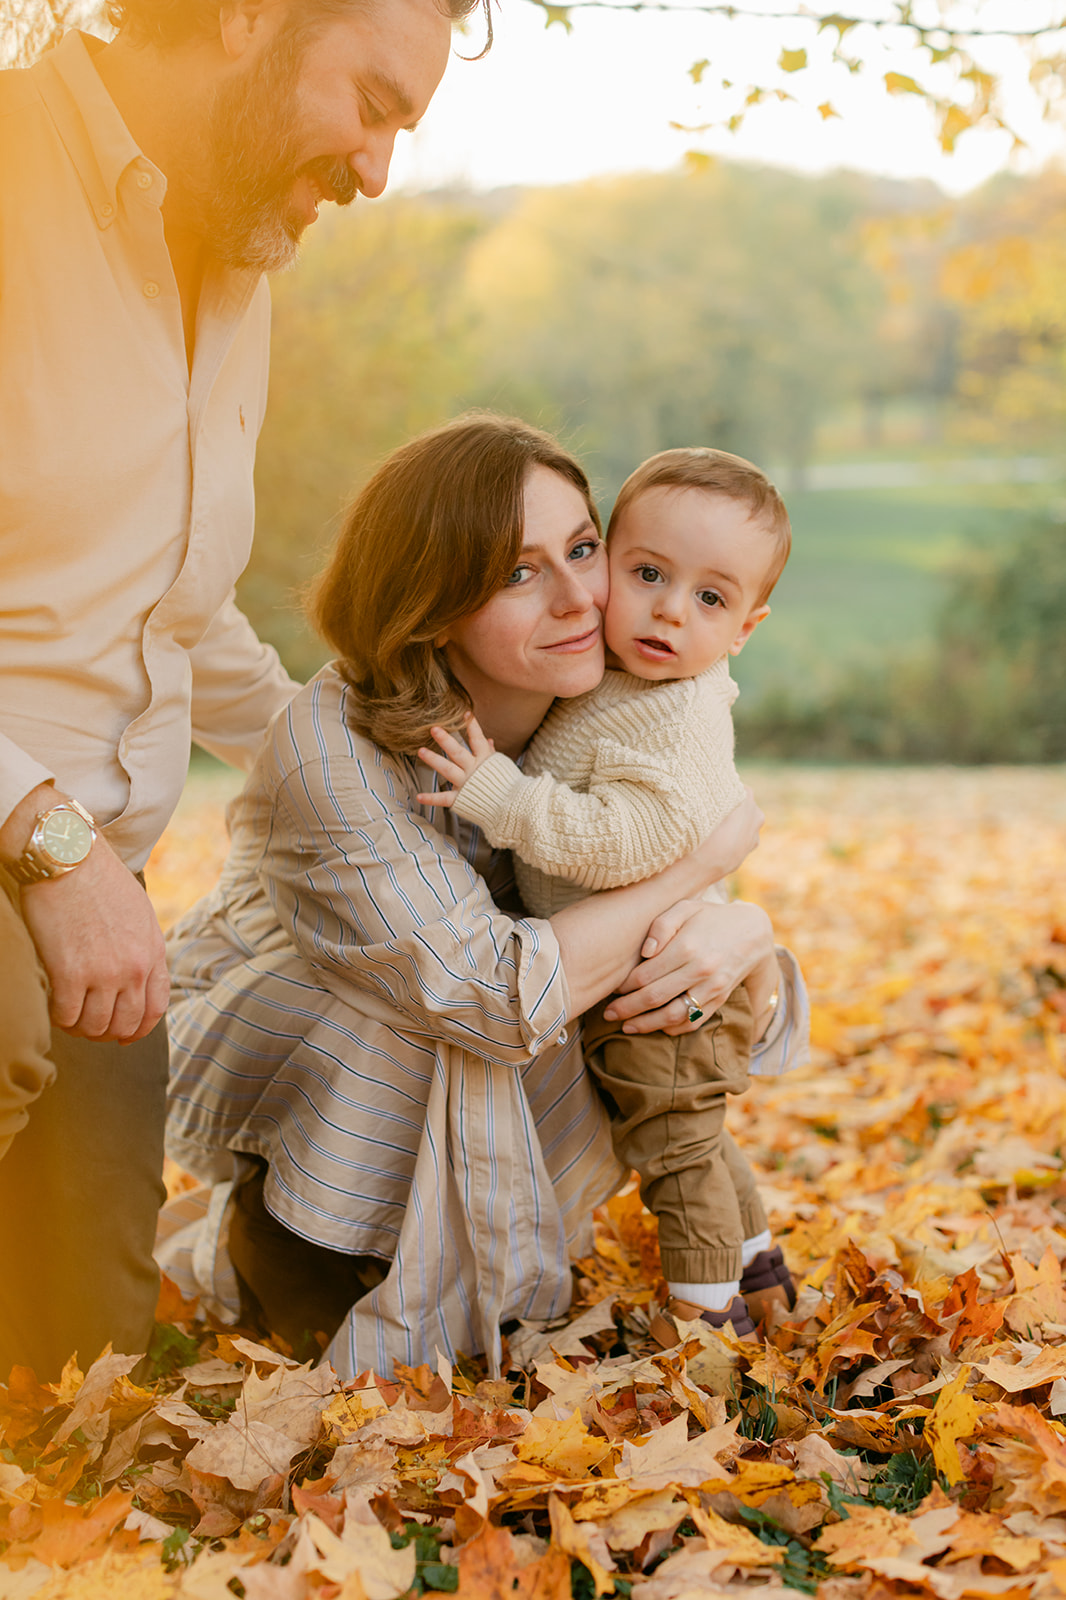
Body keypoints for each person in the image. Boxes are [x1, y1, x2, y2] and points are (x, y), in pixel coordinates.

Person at [0, 0, 475, 1380]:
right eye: (373, 104)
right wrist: (45, 834)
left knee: (75, 1369)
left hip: (84, 895)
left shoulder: (233, 249)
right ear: (246, 16)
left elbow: (179, 618)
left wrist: (390, 792)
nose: (377, 172)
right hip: (37, 855)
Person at [164, 414, 807, 1377]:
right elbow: (490, 996)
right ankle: (275, 1247)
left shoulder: (605, 697)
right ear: (429, 608)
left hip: (473, 1016)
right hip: (309, 1033)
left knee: (639, 986)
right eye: (517, 573)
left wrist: (738, 921)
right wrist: (695, 870)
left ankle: (693, 1247)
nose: (578, 598)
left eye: (583, 550)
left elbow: (647, 876)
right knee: (430, 1016)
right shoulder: (328, 749)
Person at [417, 447, 803, 1339]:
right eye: (647, 573)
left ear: (746, 626)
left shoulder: (669, 713)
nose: (670, 609)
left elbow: (628, 837)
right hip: (644, 973)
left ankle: (707, 1327)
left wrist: (504, 801)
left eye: (710, 598)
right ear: (610, 564)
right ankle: (760, 1269)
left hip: (657, 990)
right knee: (696, 1137)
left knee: (675, 1155)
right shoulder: (632, 685)